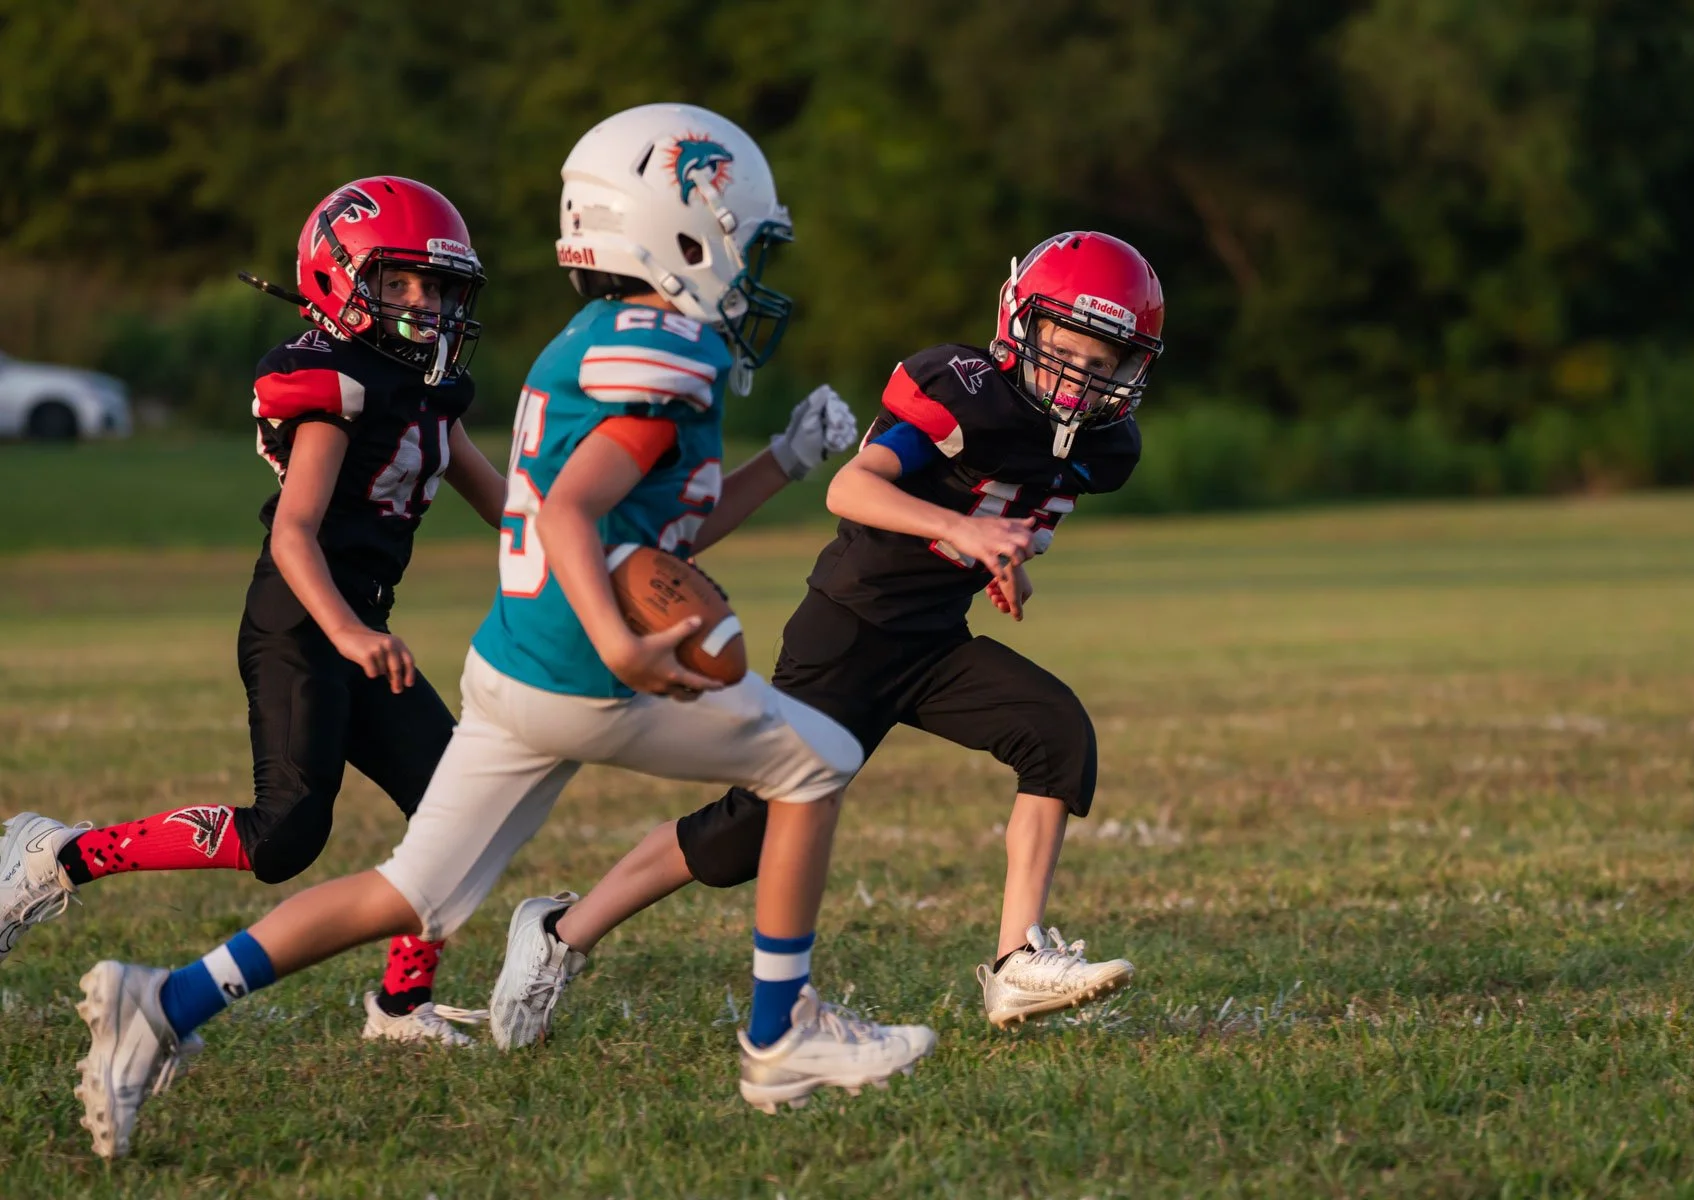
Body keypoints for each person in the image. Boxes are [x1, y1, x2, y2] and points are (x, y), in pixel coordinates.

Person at [67, 103, 934, 1161]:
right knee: (816, 760)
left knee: (407, 892)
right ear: (679, 234)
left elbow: (658, 532)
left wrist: (784, 462)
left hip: (513, 667)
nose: (750, 274)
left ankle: (161, 1003)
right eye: (743, 245)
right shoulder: (667, 354)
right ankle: (782, 1032)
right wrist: (621, 647)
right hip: (582, 673)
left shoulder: (597, 341)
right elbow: (568, 515)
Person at [486, 231, 1166, 1044]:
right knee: (745, 834)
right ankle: (559, 932)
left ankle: (1016, 960)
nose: (1080, 376)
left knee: (1055, 733)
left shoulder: (1103, 446)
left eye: (1102, 361)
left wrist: (999, 560)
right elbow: (852, 488)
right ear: (1020, 323)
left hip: (933, 643)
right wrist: (963, 531)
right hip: (849, 630)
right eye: (1066, 349)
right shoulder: (962, 390)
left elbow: (1008, 502)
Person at [1, 176, 505, 1045]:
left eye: (435, 284)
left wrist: (598, 538)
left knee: (460, 807)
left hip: (360, 627)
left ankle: (400, 1004)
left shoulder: (430, 391)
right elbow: (294, 533)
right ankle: (61, 854)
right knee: (284, 839)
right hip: (303, 625)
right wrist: (348, 632)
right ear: (341, 279)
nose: (423, 302)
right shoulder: (337, 386)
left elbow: (511, 510)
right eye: (399, 281)